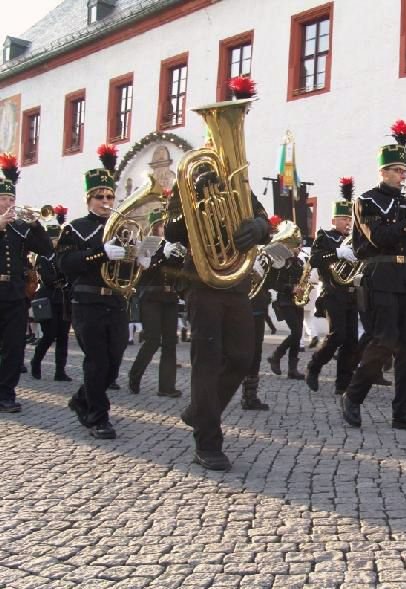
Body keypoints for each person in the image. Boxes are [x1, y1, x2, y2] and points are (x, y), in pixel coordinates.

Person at [166, 78, 272, 470]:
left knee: (243, 357)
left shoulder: (239, 182)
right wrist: (193, 198)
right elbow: (174, 230)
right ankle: (207, 440)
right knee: (207, 360)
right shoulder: (189, 179)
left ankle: (199, 410)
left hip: (236, 281)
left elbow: (262, 219)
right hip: (203, 281)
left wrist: (260, 229)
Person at [340, 120, 406, 431]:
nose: (402, 176)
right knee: (384, 341)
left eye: (404, 171)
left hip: (403, 275)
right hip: (378, 272)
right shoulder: (366, 200)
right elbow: (380, 237)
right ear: (383, 171)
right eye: (397, 170)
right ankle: (353, 397)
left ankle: (402, 411)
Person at [57, 144, 133, 438]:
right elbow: (65, 263)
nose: (105, 201)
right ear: (89, 199)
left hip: (115, 300)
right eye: (99, 196)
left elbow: (127, 268)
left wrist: (140, 257)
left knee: (114, 361)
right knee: (97, 360)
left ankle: (81, 399)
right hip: (86, 301)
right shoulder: (75, 228)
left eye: (110, 196)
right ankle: (99, 417)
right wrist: (100, 253)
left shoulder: (123, 229)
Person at [0, 154, 53, 413]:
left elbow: (46, 250)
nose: (9, 204)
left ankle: (6, 394)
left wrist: (36, 225)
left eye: (12, 199)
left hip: (14, 294)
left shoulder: (20, 228)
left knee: (13, 346)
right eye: (4, 199)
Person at [306, 178, 360, 395]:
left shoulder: (355, 240)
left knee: (352, 342)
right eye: (344, 219)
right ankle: (315, 365)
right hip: (332, 292)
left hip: (352, 293)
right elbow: (315, 259)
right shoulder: (325, 236)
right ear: (334, 219)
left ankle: (342, 384)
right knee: (337, 335)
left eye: (350, 219)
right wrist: (338, 253)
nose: (348, 223)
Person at [127, 210, 185, 397]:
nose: (165, 228)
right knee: (152, 340)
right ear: (155, 226)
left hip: (170, 298)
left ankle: (166, 386)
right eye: (162, 225)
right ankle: (135, 375)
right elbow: (144, 271)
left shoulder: (174, 246)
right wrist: (161, 256)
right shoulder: (148, 244)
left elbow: (179, 273)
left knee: (170, 342)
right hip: (151, 297)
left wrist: (179, 257)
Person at [30, 224, 72, 382]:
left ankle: (60, 371)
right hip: (48, 298)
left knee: (63, 336)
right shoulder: (43, 256)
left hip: (63, 299)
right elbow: (48, 278)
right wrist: (64, 278)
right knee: (49, 334)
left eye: (57, 239)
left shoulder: (63, 254)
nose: (55, 242)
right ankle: (36, 361)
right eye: (53, 239)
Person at [266, 235, 307, 380]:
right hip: (285, 301)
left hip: (298, 302)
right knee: (296, 332)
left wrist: (304, 288)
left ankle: (292, 369)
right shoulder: (281, 262)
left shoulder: (300, 262)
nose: (299, 248)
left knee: (298, 334)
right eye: (296, 245)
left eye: (300, 245)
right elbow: (273, 283)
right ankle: (276, 355)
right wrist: (291, 288)